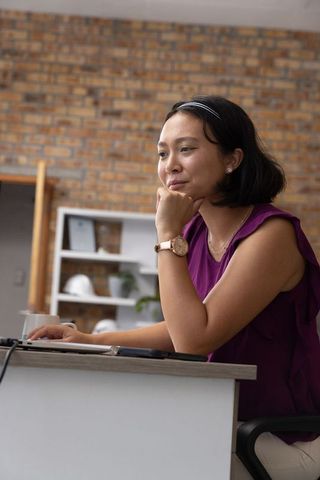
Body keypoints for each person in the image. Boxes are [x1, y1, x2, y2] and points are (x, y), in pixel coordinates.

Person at [30, 96, 320, 479]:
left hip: (279, 436)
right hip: (220, 415)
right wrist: (88, 340)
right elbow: (185, 326)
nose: (171, 165)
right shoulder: (195, 232)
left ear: (233, 159)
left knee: (130, 459)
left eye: (186, 149)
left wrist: (167, 234)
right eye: (162, 153)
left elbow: (194, 339)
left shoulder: (272, 235)